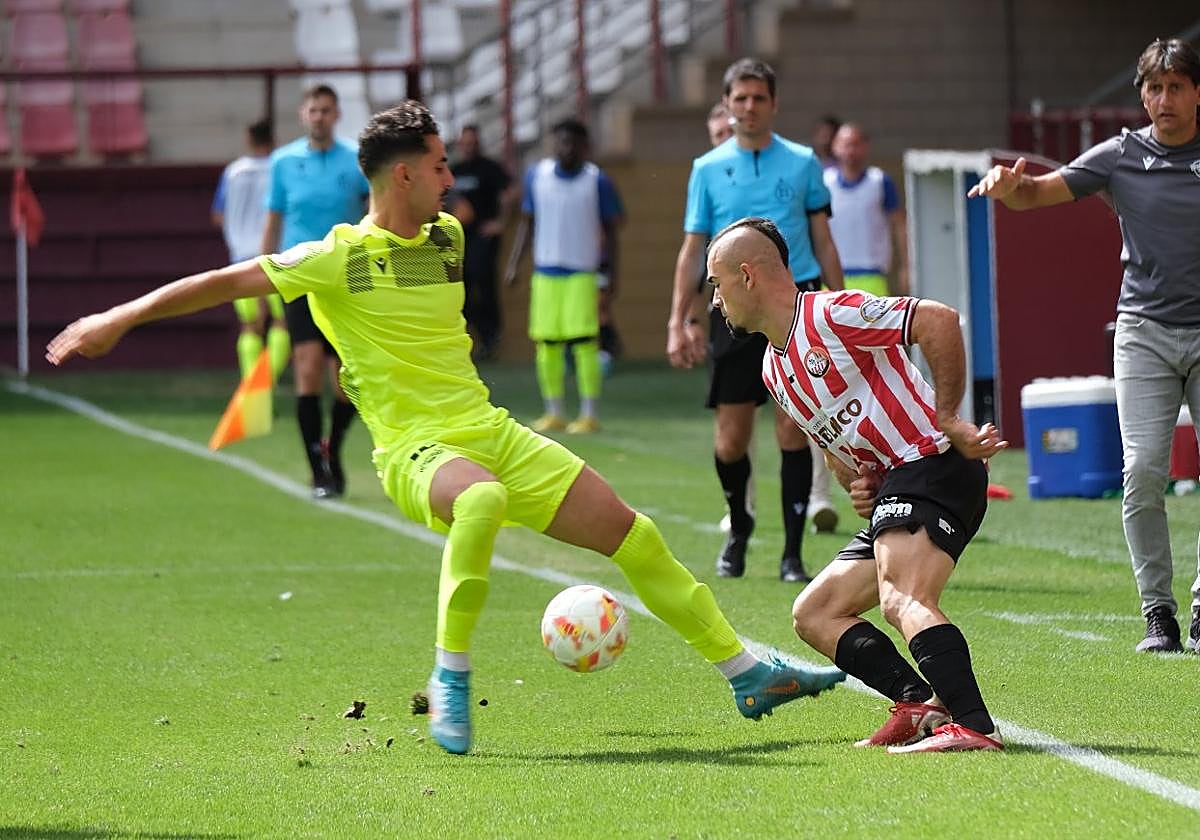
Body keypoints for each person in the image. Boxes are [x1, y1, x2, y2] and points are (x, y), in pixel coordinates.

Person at [45, 100, 845, 758]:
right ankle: (451, 677)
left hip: (489, 429)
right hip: (414, 451)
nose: (450, 178)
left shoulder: (450, 239)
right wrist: (119, 317)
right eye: (437, 165)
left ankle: (745, 673)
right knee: (482, 500)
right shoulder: (336, 257)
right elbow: (225, 282)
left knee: (634, 536)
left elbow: (428, 319)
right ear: (403, 174)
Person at [706, 216, 1006, 752]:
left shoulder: (830, 314)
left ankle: (975, 724)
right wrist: (859, 480)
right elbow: (837, 452)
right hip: (902, 483)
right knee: (815, 613)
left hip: (934, 461)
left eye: (717, 283)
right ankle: (919, 705)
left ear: (747, 276)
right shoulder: (774, 370)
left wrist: (949, 418)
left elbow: (938, 320)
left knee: (902, 597)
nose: (714, 299)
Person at [967, 37, 1200, 655]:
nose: (1165, 99)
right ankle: (1158, 613)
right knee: (1142, 471)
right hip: (1144, 334)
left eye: (1177, 87)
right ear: (1142, 96)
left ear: (1197, 93)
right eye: (1154, 88)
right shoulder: (1120, 155)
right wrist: (1009, 186)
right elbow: (1035, 194)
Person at [667, 58, 845, 584]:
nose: (749, 107)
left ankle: (792, 553)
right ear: (727, 105)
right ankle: (740, 526)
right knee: (730, 440)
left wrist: (838, 302)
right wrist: (678, 319)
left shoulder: (803, 162)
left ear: (774, 104)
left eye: (758, 98)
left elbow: (823, 239)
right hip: (732, 313)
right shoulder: (707, 168)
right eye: (740, 99)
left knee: (793, 428)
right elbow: (692, 248)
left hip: (796, 308)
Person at [262, 83, 371, 499]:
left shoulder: (355, 161)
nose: (319, 117)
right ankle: (317, 469)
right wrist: (264, 277)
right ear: (302, 114)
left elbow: (373, 215)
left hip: (347, 279)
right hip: (300, 276)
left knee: (346, 379)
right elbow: (273, 221)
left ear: (337, 115)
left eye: (326, 110)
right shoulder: (283, 162)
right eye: (313, 110)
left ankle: (333, 448)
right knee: (307, 370)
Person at [504, 118, 623, 434]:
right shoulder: (537, 176)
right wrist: (515, 263)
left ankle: (589, 413)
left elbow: (612, 230)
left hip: (582, 272)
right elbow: (527, 222)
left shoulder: (596, 180)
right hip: (545, 272)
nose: (565, 148)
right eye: (560, 141)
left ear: (584, 147)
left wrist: (612, 272)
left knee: (584, 344)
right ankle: (553, 410)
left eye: (571, 142)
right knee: (547, 345)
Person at [211, 118, 290, 381]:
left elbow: (218, 215)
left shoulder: (233, 172)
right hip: (275, 255)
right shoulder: (280, 168)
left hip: (240, 257)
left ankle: (250, 383)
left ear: (248, 139)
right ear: (274, 139)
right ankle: (267, 381)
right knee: (281, 321)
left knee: (250, 325)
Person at [450, 124, 515, 362]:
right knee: (461, 289)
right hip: (459, 239)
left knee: (483, 281)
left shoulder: (489, 168)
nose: (469, 148)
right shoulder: (455, 170)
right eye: (465, 143)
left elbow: (510, 193)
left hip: (483, 237)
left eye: (473, 143)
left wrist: (501, 222)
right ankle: (475, 335)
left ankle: (491, 334)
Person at [825, 122, 910, 298]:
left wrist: (906, 267)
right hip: (832, 276)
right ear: (835, 146)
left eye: (855, 144)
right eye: (845, 144)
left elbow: (900, 225)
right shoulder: (824, 181)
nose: (850, 151)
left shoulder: (879, 181)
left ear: (865, 147)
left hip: (872, 274)